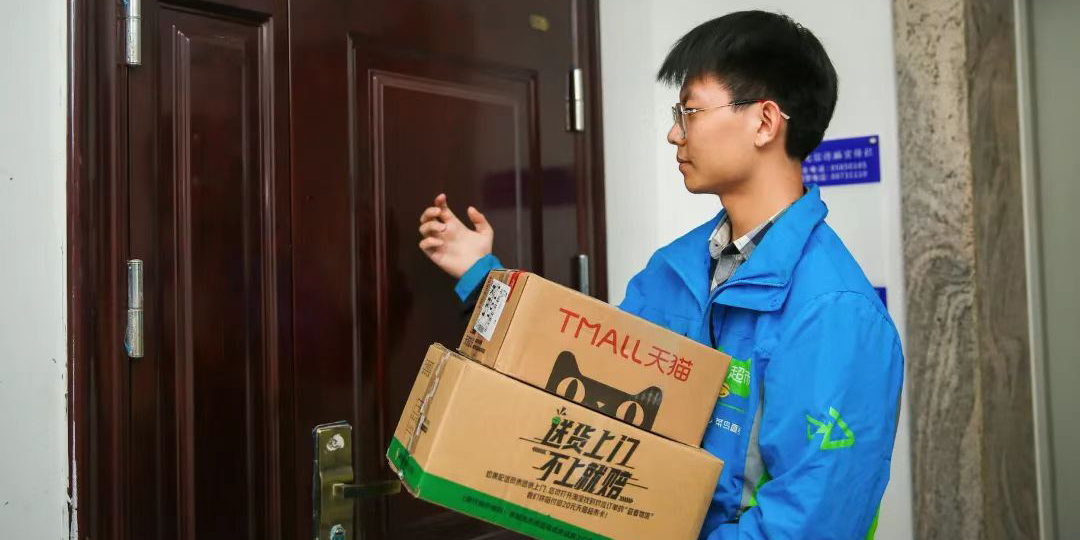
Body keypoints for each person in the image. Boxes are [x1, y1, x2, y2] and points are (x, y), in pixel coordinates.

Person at [417, 10, 903, 539]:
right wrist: (483, 277)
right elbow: (584, 384)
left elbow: (811, 522)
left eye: (689, 111)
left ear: (765, 121)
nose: (674, 133)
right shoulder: (676, 268)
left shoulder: (835, 311)